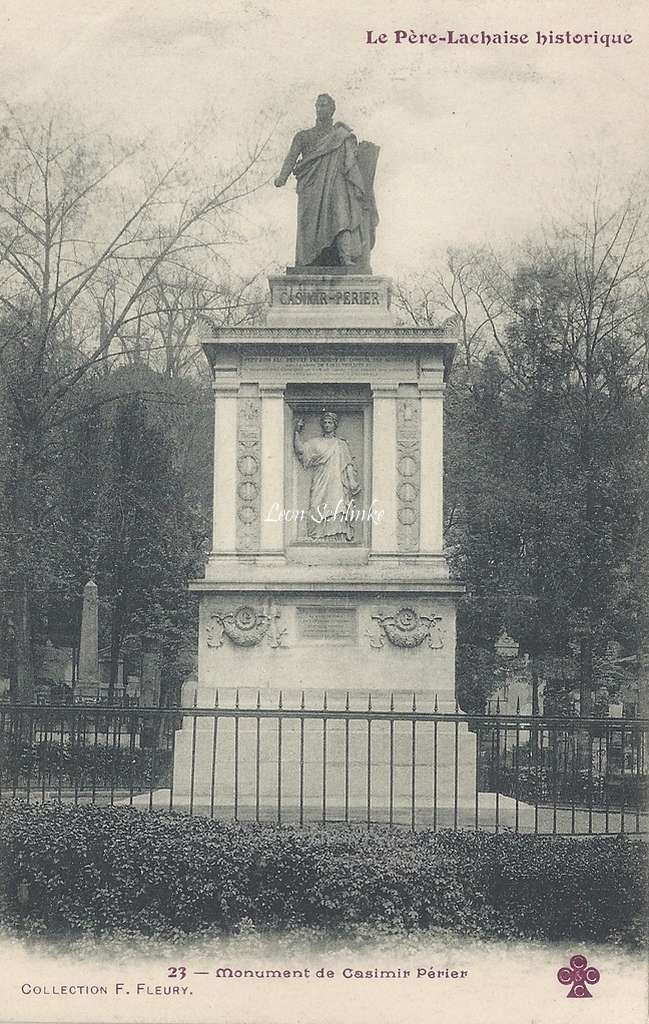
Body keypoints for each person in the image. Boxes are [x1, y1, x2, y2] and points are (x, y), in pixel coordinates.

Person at [274, 93, 379, 270]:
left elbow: (351, 162)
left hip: (336, 184)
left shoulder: (341, 135)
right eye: (318, 105)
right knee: (309, 224)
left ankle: (345, 258)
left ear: (332, 110)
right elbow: (291, 157)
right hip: (311, 188)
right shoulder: (304, 136)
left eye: (324, 105)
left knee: (341, 217)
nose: (320, 108)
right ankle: (307, 262)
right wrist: (282, 177)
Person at [293, 410, 361, 542]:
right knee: (317, 504)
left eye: (330, 422)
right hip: (320, 478)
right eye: (325, 422)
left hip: (336, 481)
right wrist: (297, 432)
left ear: (335, 425)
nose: (327, 425)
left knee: (336, 506)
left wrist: (352, 481)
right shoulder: (316, 442)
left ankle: (337, 537)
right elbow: (301, 451)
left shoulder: (340, 444)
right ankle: (318, 536)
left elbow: (348, 464)